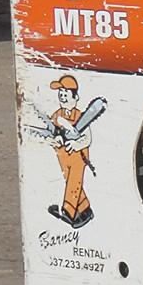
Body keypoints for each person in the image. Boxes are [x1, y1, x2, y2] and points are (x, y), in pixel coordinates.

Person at [47, 74, 93, 227]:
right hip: (63, 155)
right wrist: (56, 138)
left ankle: (67, 212)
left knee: (74, 182)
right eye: (61, 94)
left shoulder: (80, 116)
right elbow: (51, 131)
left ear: (75, 96)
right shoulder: (57, 114)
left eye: (66, 94)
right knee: (71, 182)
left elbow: (87, 138)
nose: (63, 97)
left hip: (78, 155)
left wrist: (76, 144)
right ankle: (85, 210)